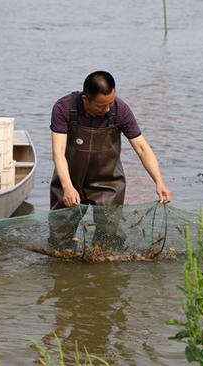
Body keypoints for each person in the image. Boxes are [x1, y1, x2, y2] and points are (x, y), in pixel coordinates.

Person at [48, 71, 171, 249]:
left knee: (108, 241)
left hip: (107, 182)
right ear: (85, 99)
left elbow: (142, 148)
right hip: (69, 180)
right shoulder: (64, 108)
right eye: (100, 106)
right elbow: (58, 153)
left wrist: (159, 182)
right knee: (59, 241)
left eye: (110, 103)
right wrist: (67, 186)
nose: (107, 109)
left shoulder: (120, 110)